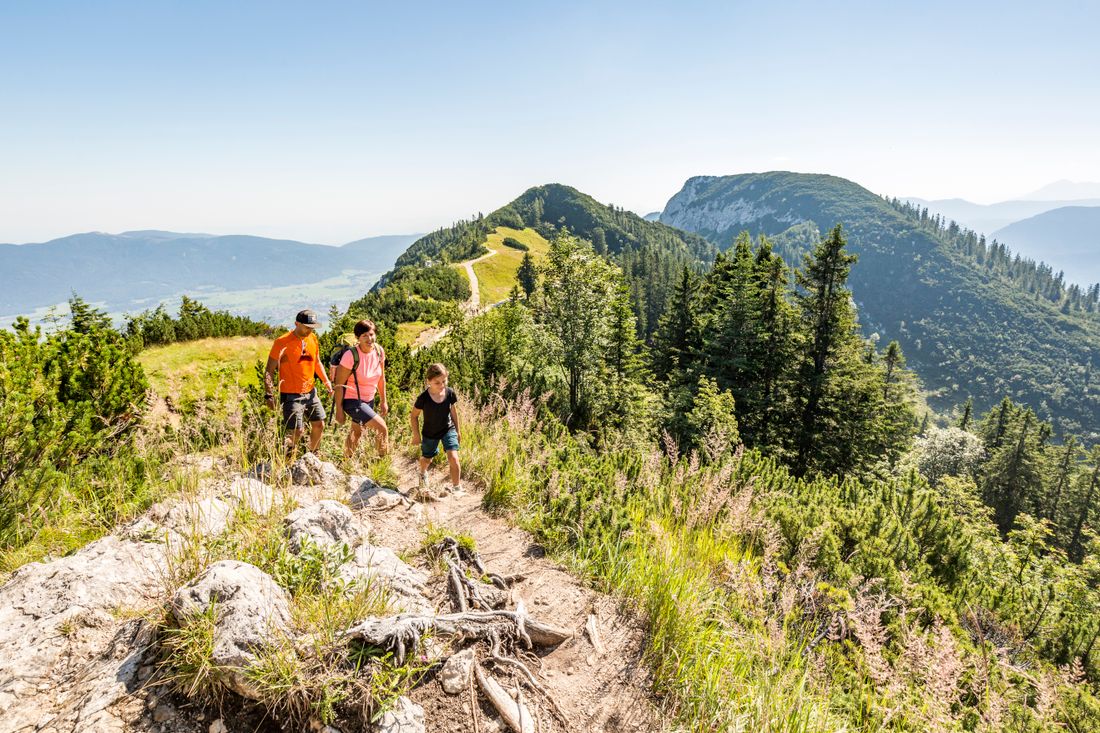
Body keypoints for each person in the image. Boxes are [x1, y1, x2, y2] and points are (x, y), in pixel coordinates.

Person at [264, 309, 334, 456]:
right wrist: (269, 395)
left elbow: (317, 362)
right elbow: (269, 370)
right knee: (297, 430)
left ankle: (313, 457)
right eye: (307, 327)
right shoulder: (282, 342)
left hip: (311, 392)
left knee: (319, 424)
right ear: (296, 323)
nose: (310, 330)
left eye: (312, 327)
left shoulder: (313, 338)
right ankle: (288, 460)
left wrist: (326, 382)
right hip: (291, 394)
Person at [333, 319, 389, 458]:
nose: (369, 339)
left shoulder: (379, 351)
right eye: (365, 336)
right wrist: (339, 410)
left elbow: (381, 378)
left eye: (371, 334)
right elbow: (339, 384)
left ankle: (346, 462)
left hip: (369, 399)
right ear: (358, 338)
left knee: (356, 433)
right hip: (352, 401)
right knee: (382, 429)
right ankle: (383, 465)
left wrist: (383, 400)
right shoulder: (350, 356)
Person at [409, 363, 461, 493]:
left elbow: (453, 412)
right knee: (427, 459)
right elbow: (414, 416)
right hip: (430, 433)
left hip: (448, 429)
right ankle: (422, 473)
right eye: (437, 382)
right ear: (429, 381)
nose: (442, 385)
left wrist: (458, 431)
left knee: (453, 457)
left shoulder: (449, 393)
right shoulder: (423, 398)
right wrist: (416, 435)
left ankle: (457, 488)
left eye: (444, 381)